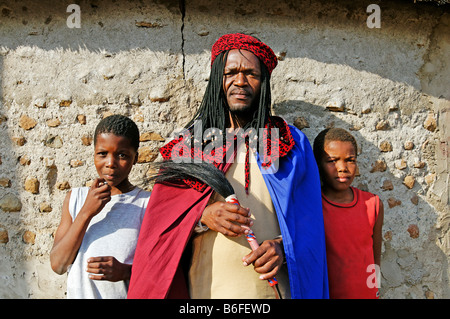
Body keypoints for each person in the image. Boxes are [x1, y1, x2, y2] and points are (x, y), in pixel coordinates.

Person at [128, 33, 329, 299]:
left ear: (264, 82)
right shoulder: (192, 146)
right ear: (217, 81)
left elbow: (310, 224)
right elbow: (162, 226)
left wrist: (282, 249)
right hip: (208, 292)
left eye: (251, 74)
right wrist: (203, 216)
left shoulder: (290, 145)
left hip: (277, 292)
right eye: (231, 72)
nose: (240, 81)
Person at [50, 114, 150, 299]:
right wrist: (87, 211)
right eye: (102, 154)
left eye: (122, 155)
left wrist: (127, 272)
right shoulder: (76, 198)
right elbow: (58, 265)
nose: (110, 164)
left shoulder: (146, 204)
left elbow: (163, 267)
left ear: (135, 158)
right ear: (94, 153)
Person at [313, 127, 384, 299]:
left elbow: (374, 257)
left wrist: (375, 291)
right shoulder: (313, 206)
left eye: (350, 160)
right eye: (332, 160)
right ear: (317, 164)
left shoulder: (372, 204)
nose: (342, 168)